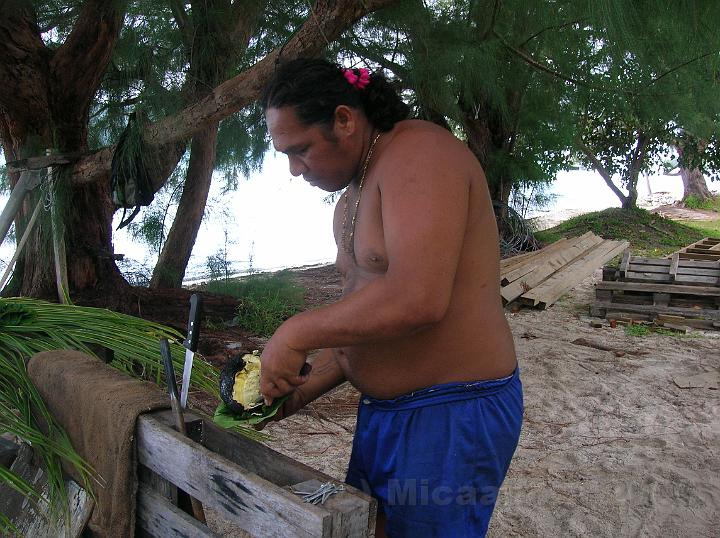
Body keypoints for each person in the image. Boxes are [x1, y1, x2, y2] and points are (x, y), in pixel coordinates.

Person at [258, 58, 523, 538]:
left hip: (451, 415)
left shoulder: (421, 154)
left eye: (300, 150)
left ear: (344, 119)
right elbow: (365, 321)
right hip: (385, 415)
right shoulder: (351, 195)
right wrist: (297, 390)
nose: (295, 170)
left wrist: (295, 331)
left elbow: (419, 299)